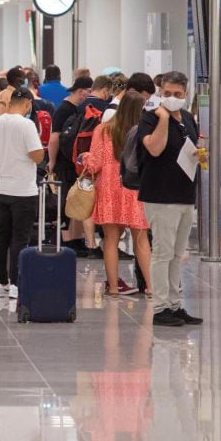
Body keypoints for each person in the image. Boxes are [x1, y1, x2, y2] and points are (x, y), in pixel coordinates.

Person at [137, 71, 205, 327]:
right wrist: (163, 118)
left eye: (178, 94)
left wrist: (199, 155)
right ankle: (160, 307)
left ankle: (175, 305)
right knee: (163, 253)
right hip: (160, 194)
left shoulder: (187, 118)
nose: (172, 98)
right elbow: (154, 148)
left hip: (184, 193)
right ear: (160, 92)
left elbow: (187, 146)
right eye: (167, 94)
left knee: (177, 254)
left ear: (185, 94)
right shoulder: (151, 117)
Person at [80, 92, 151, 298]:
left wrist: (85, 157)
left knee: (111, 240)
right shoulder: (143, 131)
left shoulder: (102, 130)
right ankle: (150, 287)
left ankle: (112, 287)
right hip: (135, 189)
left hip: (109, 190)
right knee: (141, 239)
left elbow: (95, 164)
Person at [0, 87, 45, 300]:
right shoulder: (27, 125)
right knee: (20, 238)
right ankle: (17, 284)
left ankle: (0, 284)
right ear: (27, 103)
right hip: (23, 191)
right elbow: (37, 157)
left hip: (1, 188)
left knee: (2, 237)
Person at [48, 76, 95, 254]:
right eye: (88, 92)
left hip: (69, 161)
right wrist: (51, 162)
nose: (88, 95)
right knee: (68, 199)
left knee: (74, 199)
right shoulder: (64, 109)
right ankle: (68, 239)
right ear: (81, 91)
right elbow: (54, 138)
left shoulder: (73, 108)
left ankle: (75, 239)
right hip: (63, 162)